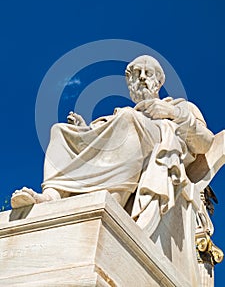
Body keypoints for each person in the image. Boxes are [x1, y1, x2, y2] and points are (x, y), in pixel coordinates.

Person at [11, 55, 214, 233]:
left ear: (159, 81)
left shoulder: (179, 106)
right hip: (128, 126)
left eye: (148, 73)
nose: (142, 77)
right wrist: (85, 131)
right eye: (137, 73)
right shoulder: (123, 113)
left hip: (159, 147)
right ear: (130, 82)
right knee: (59, 131)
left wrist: (172, 114)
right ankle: (52, 195)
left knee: (128, 119)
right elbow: (105, 141)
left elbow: (205, 142)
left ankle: (114, 199)